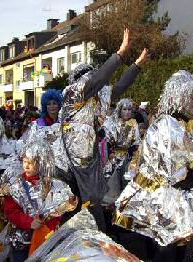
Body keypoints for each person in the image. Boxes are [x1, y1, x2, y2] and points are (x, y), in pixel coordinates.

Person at [55, 28, 150, 231]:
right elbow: (98, 81)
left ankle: (94, 240)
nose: (97, 82)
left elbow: (117, 89)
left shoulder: (97, 95)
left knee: (91, 206)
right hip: (68, 163)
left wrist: (137, 66)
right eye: (90, 77)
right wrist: (119, 54)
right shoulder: (74, 94)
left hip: (87, 160)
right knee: (75, 209)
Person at [114, 70, 193, 261]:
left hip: (172, 202)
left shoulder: (186, 124)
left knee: (174, 251)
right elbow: (175, 176)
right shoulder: (168, 125)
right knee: (165, 252)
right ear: (180, 97)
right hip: (161, 204)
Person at [3, 139, 76, 261]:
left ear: (42, 163)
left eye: (30, 163)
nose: (26, 166)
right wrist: (29, 222)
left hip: (45, 240)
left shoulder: (54, 186)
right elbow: (11, 211)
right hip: (22, 241)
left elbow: (59, 209)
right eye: (24, 162)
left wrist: (49, 225)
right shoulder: (15, 186)